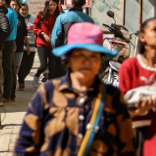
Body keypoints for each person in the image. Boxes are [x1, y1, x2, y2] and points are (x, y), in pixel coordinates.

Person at [14, 22, 135, 155]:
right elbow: (25, 146)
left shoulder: (113, 98)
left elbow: (127, 148)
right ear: (69, 58)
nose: (86, 62)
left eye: (93, 56)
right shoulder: (48, 93)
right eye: (80, 55)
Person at [118, 17, 156, 155]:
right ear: (142, 37)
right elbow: (120, 108)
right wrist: (138, 110)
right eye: (155, 30)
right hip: (136, 133)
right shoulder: (130, 66)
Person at [51, 0, 94, 78]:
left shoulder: (62, 18)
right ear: (85, 3)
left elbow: (55, 39)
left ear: (72, 1)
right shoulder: (89, 20)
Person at [33, 0, 61, 85]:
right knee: (43, 65)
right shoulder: (41, 15)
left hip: (53, 44)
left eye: (54, 5)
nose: (52, 7)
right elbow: (35, 27)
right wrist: (43, 34)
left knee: (52, 66)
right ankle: (37, 75)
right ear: (47, 5)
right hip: (42, 43)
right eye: (50, 5)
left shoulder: (59, 17)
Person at [0, 0, 18, 102]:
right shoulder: (12, 12)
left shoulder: (8, 13)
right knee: (10, 69)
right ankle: (11, 94)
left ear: (3, 1)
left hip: (7, 42)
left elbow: (5, 29)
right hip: (11, 42)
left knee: (7, 70)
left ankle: (7, 94)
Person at [10, 0, 29, 92]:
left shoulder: (21, 18)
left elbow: (24, 33)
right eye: (13, 5)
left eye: (16, 5)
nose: (14, 7)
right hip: (9, 45)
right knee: (9, 68)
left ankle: (18, 84)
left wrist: (28, 45)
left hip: (19, 46)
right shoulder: (7, 16)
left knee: (17, 67)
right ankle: (9, 88)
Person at [17, 3, 36, 90]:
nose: (24, 11)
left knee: (29, 65)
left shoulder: (33, 19)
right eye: (22, 9)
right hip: (21, 46)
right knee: (22, 65)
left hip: (32, 46)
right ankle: (21, 81)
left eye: (25, 9)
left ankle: (22, 78)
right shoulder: (17, 19)